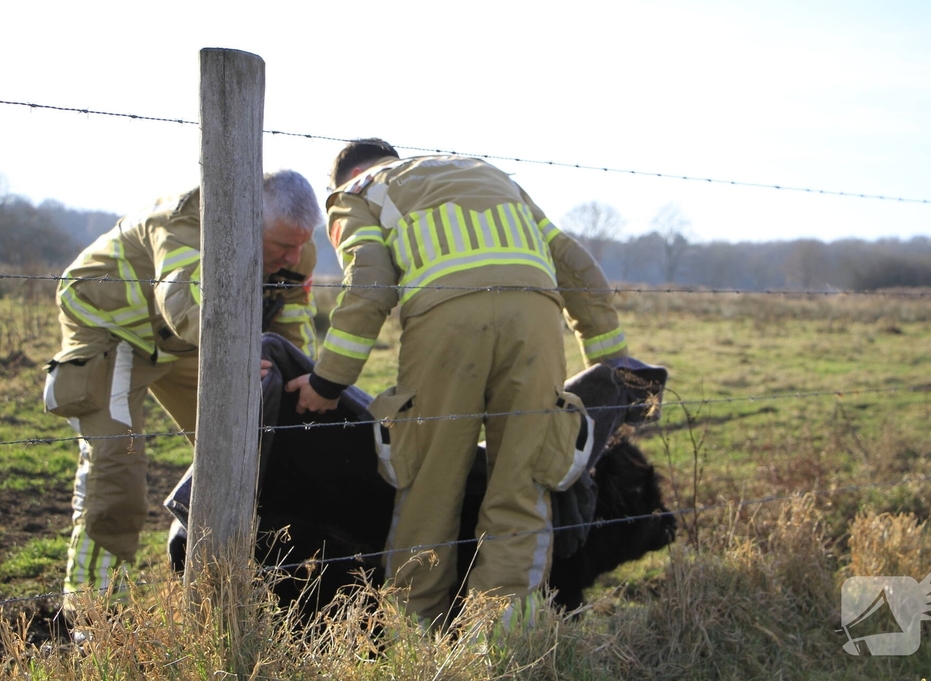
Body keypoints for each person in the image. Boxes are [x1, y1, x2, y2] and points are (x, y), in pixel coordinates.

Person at [287, 139, 629, 629]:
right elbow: (577, 268)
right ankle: (503, 636)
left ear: (340, 179)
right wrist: (611, 368)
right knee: (523, 482)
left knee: (429, 481)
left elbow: (369, 283)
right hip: (536, 317)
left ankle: (414, 636)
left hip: (446, 323)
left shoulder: (356, 192)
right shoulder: (490, 175)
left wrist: (328, 380)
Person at [43, 170, 324, 619]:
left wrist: (291, 378)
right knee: (117, 472)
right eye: (281, 246)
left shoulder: (294, 245)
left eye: (300, 244)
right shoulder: (185, 225)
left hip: (189, 343)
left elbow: (292, 320)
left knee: (252, 451)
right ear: (247, 221)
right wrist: (235, 354)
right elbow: (182, 300)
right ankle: (92, 615)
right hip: (114, 330)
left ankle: (237, 585)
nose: (294, 256)